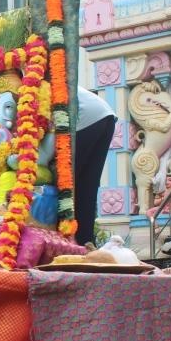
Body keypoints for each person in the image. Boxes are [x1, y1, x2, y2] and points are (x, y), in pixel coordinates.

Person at [75, 87, 117, 245]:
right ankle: (84, 244)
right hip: (105, 115)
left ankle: (72, 244)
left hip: (85, 119)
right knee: (86, 188)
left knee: (65, 186)